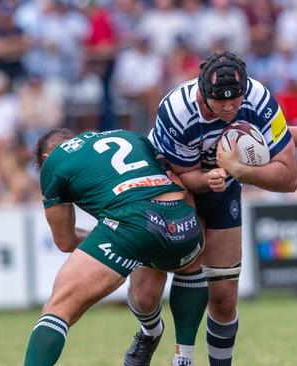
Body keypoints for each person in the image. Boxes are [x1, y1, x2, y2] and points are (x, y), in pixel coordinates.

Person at [129, 50, 297, 366]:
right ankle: (149, 332)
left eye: (236, 100)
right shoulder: (176, 110)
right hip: (169, 181)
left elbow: (291, 178)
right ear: (202, 93)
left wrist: (240, 171)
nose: (230, 108)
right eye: (220, 102)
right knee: (145, 295)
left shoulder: (259, 100)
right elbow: (184, 178)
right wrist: (209, 178)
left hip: (225, 183)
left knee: (223, 298)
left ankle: (194, 361)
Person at [23, 128, 205, 366]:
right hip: (185, 223)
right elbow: (175, 179)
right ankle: (183, 359)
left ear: (45, 159)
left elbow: (65, 241)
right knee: (162, 286)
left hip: (133, 223)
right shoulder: (131, 136)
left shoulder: (53, 163)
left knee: (58, 308)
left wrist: (114, 239)